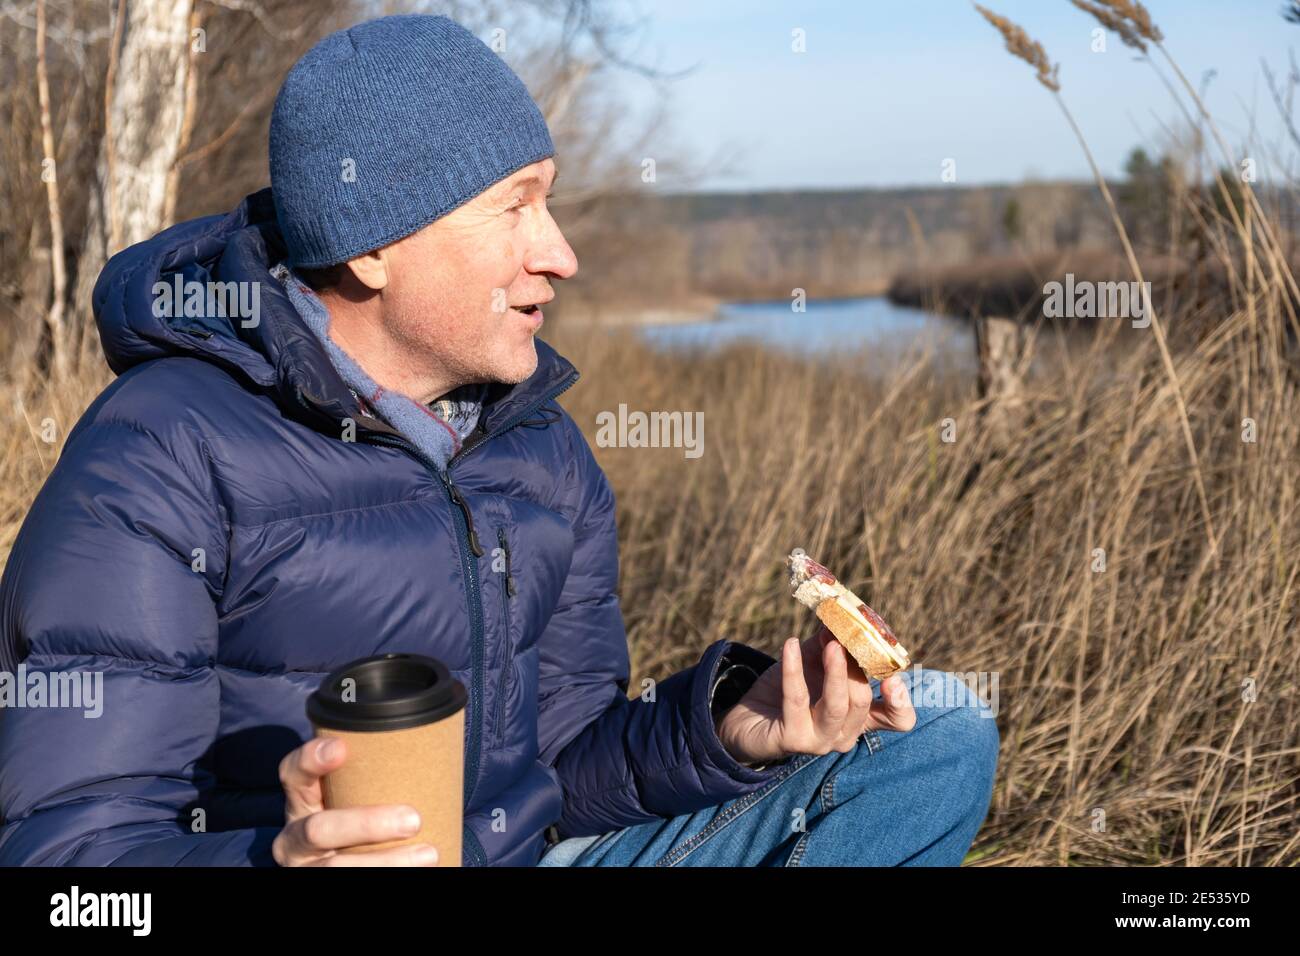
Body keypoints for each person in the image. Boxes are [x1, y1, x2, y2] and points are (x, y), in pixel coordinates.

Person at [0, 13, 998, 867]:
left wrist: (742, 727)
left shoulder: (539, 446)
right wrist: (277, 859)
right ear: (373, 245)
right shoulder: (158, 453)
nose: (558, 253)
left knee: (937, 729)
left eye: (550, 200)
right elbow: (74, 859)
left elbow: (565, 768)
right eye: (515, 204)